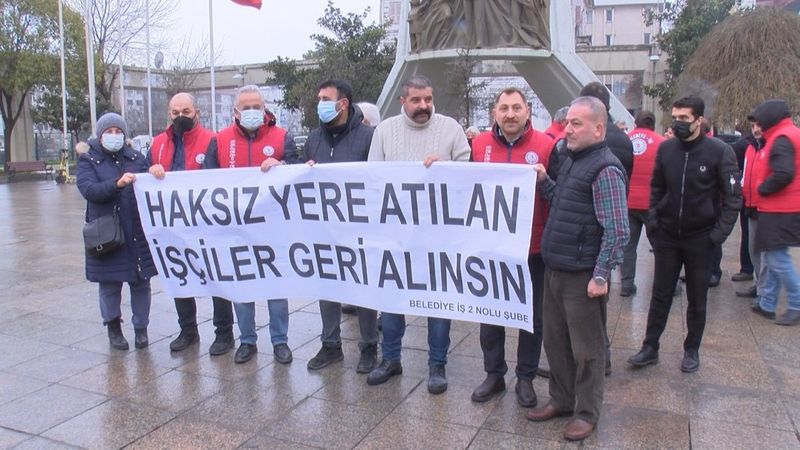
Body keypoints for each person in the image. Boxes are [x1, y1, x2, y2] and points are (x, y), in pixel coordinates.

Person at [526, 96, 629, 441]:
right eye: (567, 122)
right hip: (557, 267)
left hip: (583, 276)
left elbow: (617, 229)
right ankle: (561, 399)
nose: (567, 129)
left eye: (576, 124)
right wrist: (546, 183)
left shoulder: (606, 169)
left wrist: (601, 274)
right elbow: (567, 207)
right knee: (555, 343)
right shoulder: (571, 160)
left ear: (598, 128)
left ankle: (586, 412)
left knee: (587, 350)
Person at [366, 75, 471, 394]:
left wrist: (447, 169)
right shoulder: (384, 131)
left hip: (438, 236)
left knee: (437, 302)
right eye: (416, 100)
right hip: (396, 235)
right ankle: (391, 358)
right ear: (403, 102)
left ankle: (437, 364)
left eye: (428, 99)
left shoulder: (450, 128)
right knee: (392, 299)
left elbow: (470, 175)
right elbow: (373, 178)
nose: (424, 105)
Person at [628, 96, 741, 373]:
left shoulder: (719, 151)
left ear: (699, 120)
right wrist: (654, 222)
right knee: (660, 294)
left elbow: (733, 198)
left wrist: (717, 236)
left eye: (684, 119)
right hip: (667, 236)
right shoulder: (666, 150)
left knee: (697, 298)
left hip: (701, 239)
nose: (678, 124)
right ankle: (650, 346)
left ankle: (691, 349)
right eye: (674, 118)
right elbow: (656, 189)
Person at [203, 84, 302, 364]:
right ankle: (247, 340)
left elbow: (297, 176)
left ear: (264, 108)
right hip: (235, 229)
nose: (251, 112)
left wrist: (281, 164)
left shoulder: (283, 137)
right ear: (235, 112)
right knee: (241, 286)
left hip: (273, 228)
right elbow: (206, 181)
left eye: (256, 107)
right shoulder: (219, 141)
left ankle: (280, 341)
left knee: (275, 287)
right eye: (245, 108)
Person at [469, 87, 552, 407]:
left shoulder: (547, 146)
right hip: (492, 247)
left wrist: (544, 181)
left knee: (532, 317)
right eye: (503, 108)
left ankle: (526, 377)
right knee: (491, 312)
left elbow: (558, 194)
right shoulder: (478, 145)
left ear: (527, 112)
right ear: (494, 113)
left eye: (516, 107)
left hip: (533, 249)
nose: (510, 114)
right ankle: (494, 373)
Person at [147, 93, 236, 356]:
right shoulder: (158, 144)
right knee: (179, 276)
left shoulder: (212, 140)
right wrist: (151, 172)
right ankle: (188, 330)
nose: (180, 116)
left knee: (217, 278)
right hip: (173, 225)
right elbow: (146, 174)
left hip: (207, 224)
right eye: (175, 112)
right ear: (169, 114)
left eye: (185, 111)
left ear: (196, 111)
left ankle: (224, 332)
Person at [302, 80, 379, 373]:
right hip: (324, 230)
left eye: (325, 98)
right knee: (327, 286)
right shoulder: (313, 139)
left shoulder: (369, 137)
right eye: (318, 97)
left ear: (343, 103)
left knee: (364, 288)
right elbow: (297, 174)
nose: (319, 103)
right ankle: (331, 345)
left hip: (360, 229)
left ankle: (369, 347)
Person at [76, 112, 156, 350]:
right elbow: (89, 190)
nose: (114, 136)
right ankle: (113, 328)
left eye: (118, 132)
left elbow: (151, 182)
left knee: (141, 283)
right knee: (110, 284)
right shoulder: (88, 160)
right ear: (99, 136)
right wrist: (117, 184)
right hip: (107, 233)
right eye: (108, 132)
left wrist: (155, 172)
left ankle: (141, 328)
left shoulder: (137, 158)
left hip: (136, 231)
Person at [749, 99, 800, 326]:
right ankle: (767, 303)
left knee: (777, 258)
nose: (757, 125)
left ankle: (797, 303)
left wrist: (762, 188)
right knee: (773, 255)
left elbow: (783, 173)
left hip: (781, 207)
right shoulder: (786, 135)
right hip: (782, 207)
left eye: (759, 120)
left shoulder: (781, 140)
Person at [620, 111, 665, 297]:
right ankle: (665, 285)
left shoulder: (625, 141)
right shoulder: (662, 143)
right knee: (660, 246)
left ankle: (627, 285)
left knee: (628, 246)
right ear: (653, 124)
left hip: (629, 201)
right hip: (652, 203)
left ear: (636, 123)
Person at [737, 125, 766, 299]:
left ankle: (765, 291)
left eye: (760, 125)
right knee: (753, 248)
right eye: (754, 125)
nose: (756, 129)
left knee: (769, 255)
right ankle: (759, 285)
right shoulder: (750, 147)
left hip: (765, 206)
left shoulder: (771, 147)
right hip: (749, 203)